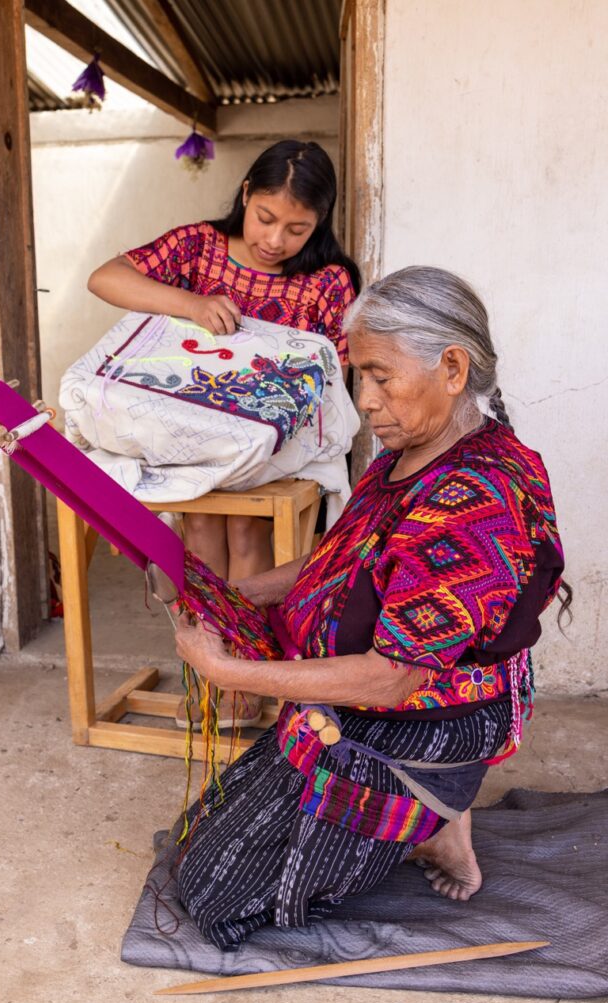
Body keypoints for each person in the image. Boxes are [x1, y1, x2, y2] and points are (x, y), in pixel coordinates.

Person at [173, 265, 569, 952]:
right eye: (361, 377)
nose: (368, 401)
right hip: (372, 698)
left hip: (430, 718)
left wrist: (232, 672)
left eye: (382, 376)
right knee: (198, 847)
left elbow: (394, 675)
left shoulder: (475, 501)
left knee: (214, 893)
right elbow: (343, 559)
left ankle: (440, 807)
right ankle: (436, 817)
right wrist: (245, 596)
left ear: (452, 367)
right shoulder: (408, 454)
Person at [88, 139, 360, 728]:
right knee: (203, 524)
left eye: (296, 228)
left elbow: (334, 375)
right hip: (194, 437)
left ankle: (242, 676)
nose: (274, 240)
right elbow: (105, 278)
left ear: (319, 222)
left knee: (246, 529)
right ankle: (205, 673)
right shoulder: (198, 248)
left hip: (274, 445)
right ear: (245, 196)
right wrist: (187, 302)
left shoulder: (329, 281)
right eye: (265, 218)